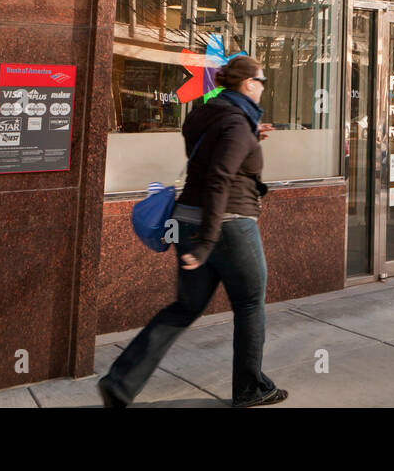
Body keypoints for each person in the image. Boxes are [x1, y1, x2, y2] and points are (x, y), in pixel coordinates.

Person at [98, 55, 288, 407]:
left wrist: (250, 138)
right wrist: (208, 242)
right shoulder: (235, 124)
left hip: (185, 220)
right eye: (261, 81)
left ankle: (120, 382)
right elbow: (218, 179)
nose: (263, 87)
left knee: (185, 307)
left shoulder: (207, 113)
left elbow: (209, 159)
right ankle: (250, 388)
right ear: (248, 83)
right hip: (229, 226)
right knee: (249, 305)